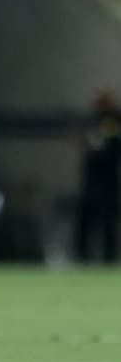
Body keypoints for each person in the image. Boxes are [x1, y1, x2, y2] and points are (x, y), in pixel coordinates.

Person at [75, 90, 120, 263]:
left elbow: (111, 147)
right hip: (91, 182)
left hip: (106, 183)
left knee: (107, 222)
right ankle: (82, 256)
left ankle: (109, 258)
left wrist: (92, 147)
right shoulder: (94, 122)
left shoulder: (111, 122)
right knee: (85, 221)